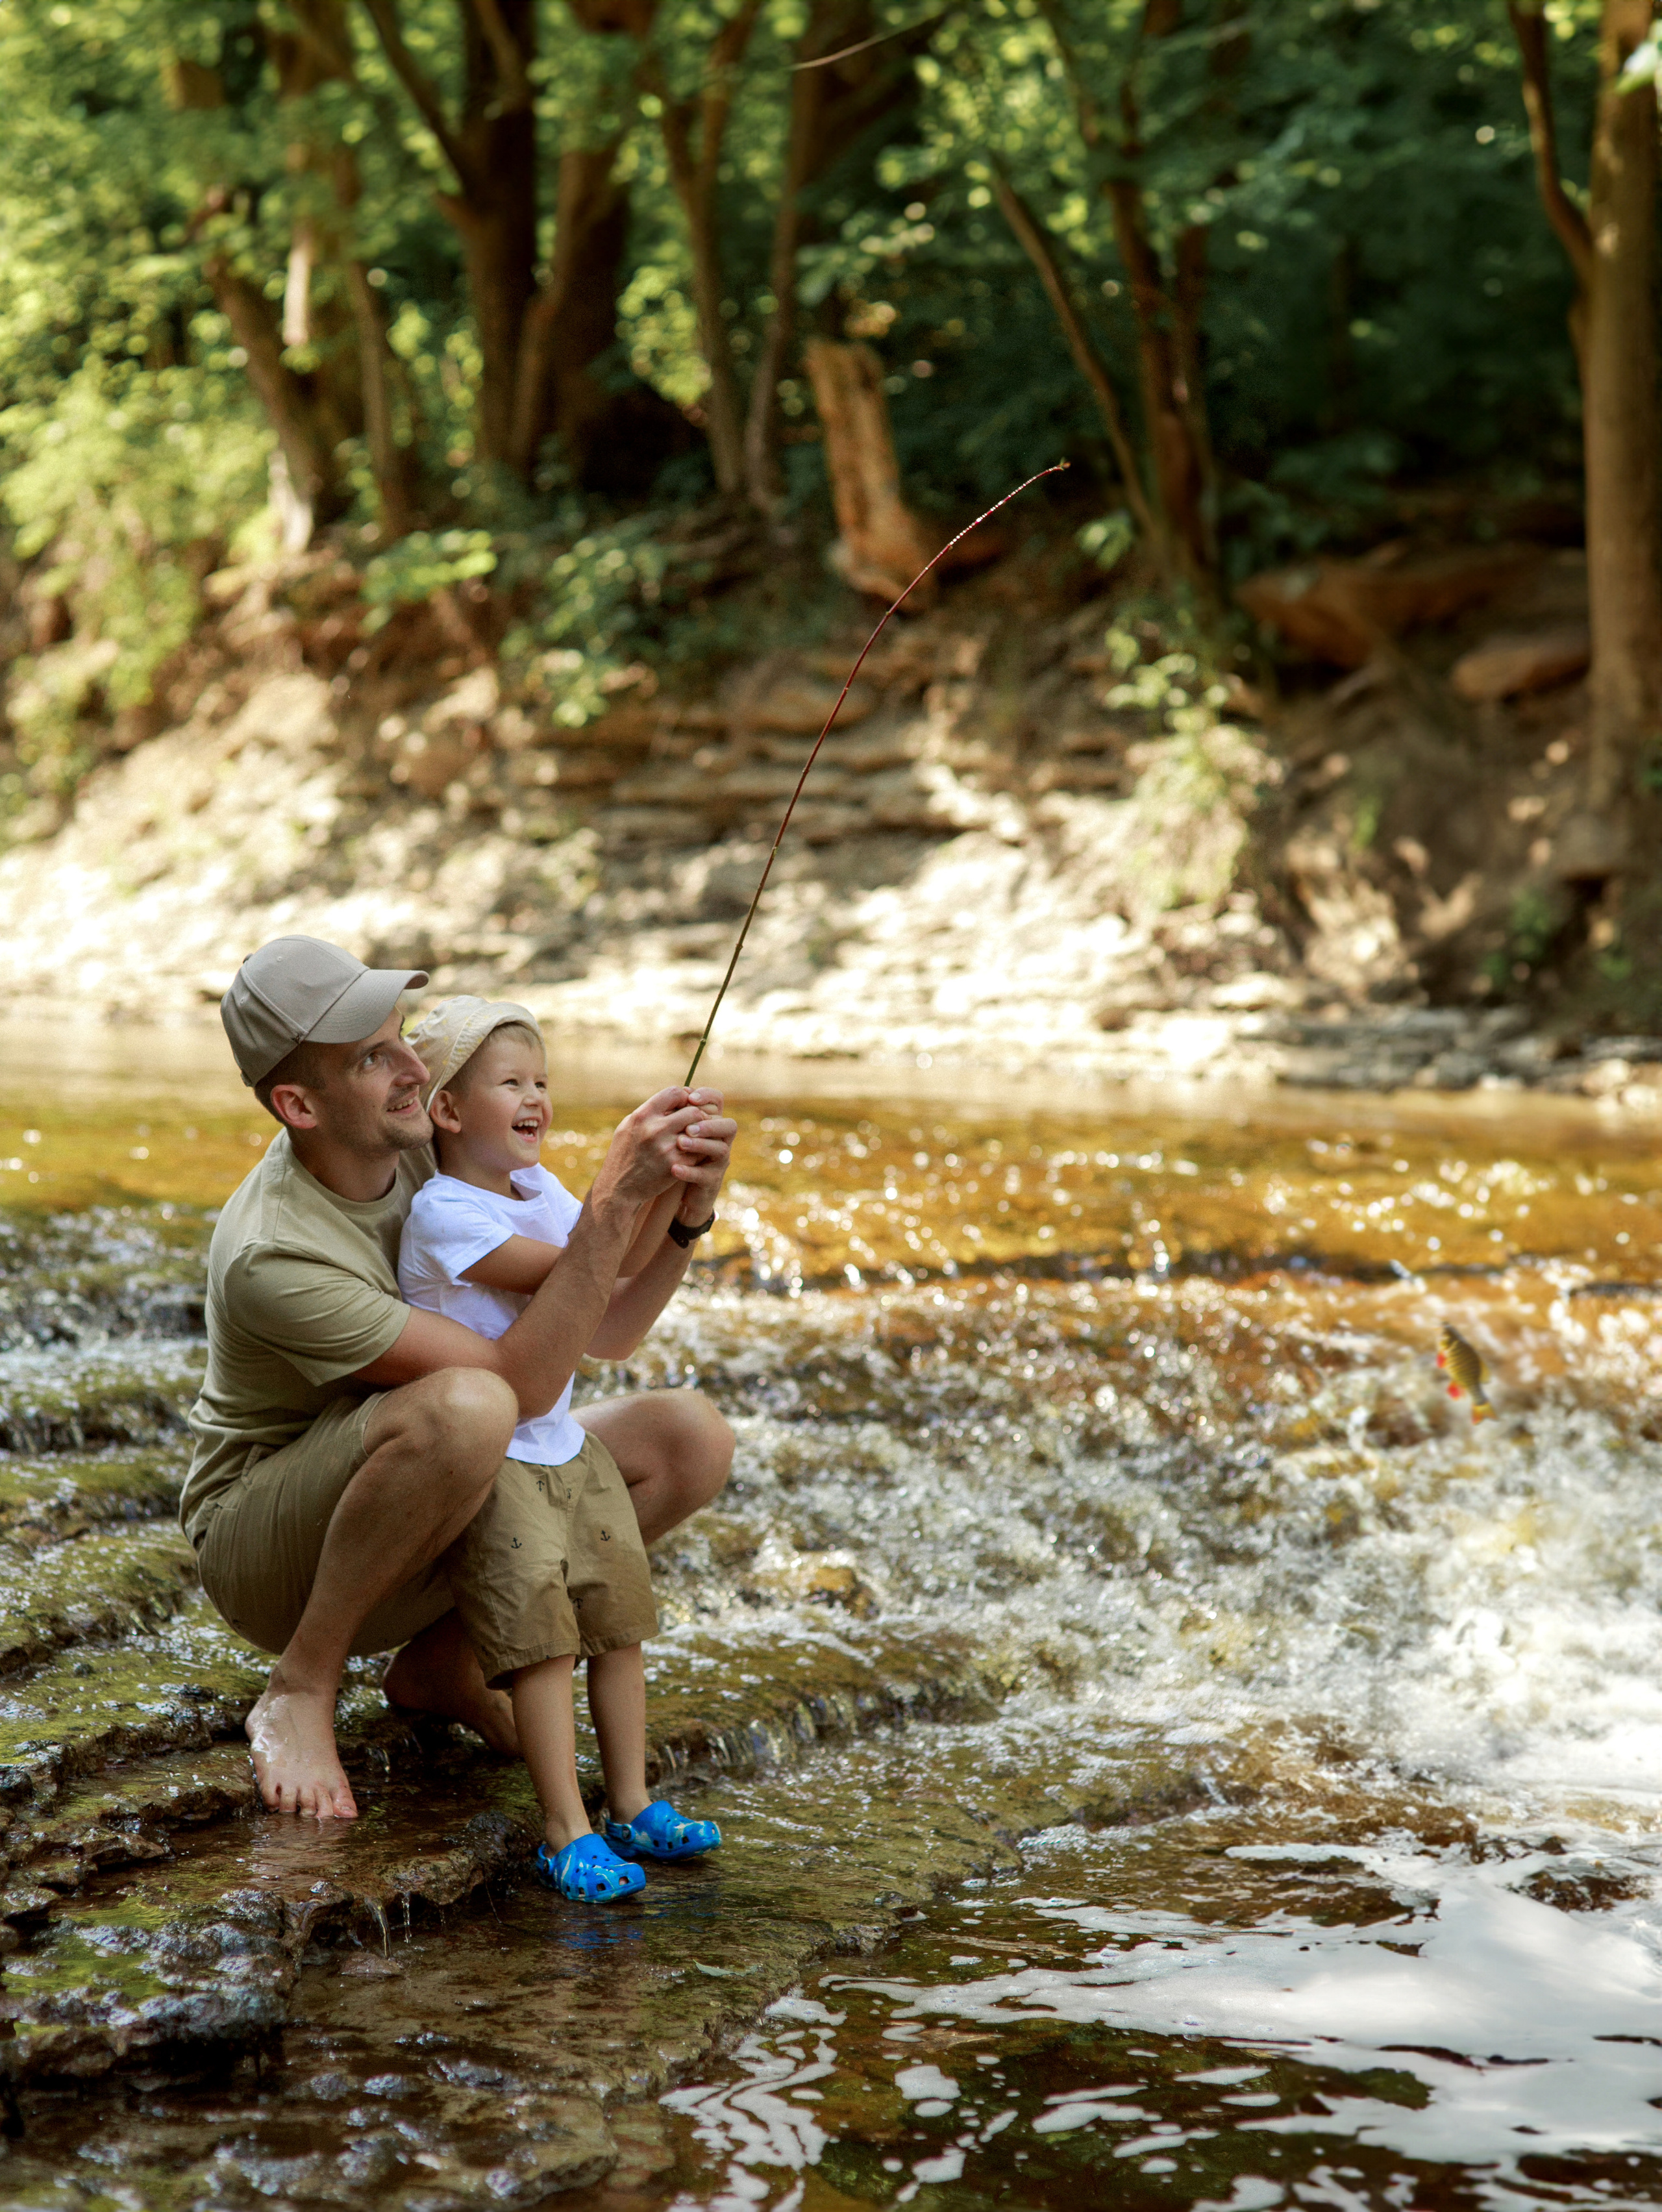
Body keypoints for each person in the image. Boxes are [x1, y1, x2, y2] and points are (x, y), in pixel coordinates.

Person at [182, 935, 736, 1821]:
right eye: (373, 1057)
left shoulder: (420, 1138)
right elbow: (510, 1386)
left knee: (686, 1437)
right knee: (473, 1408)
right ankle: (302, 1686)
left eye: (403, 1036)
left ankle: (447, 1664)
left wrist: (679, 1219)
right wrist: (618, 1201)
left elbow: (602, 1326)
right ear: (298, 1103)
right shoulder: (274, 1252)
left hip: (427, 1489)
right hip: (272, 1547)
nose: (413, 1069)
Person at [397, 997, 720, 1902]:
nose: (536, 1098)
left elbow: (611, 1284)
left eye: (542, 1082)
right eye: (510, 1083)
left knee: (616, 1631)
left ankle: (632, 1804)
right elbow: (591, 1262)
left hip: (567, 1445)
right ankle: (562, 1828)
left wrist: (682, 1200)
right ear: (448, 1113)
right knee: (543, 1647)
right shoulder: (445, 1213)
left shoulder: (539, 1193)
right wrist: (633, 1190)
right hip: (500, 1458)